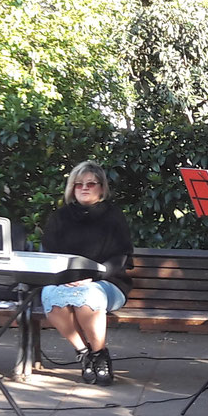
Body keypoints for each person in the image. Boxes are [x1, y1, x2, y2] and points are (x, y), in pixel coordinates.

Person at [39, 160, 135, 385]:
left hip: (106, 282)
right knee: (52, 299)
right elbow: (49, 254)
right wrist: (64, 278)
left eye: (91, 183)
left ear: (101, 188)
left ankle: (100, 355)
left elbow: (121, 258)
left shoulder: (113, 217)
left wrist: (93, 277)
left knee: (86, 300)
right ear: (72, 188)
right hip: (64, 280)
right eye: (78, 184)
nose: (84, 188)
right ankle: (85, 352)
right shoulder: (59, 217)